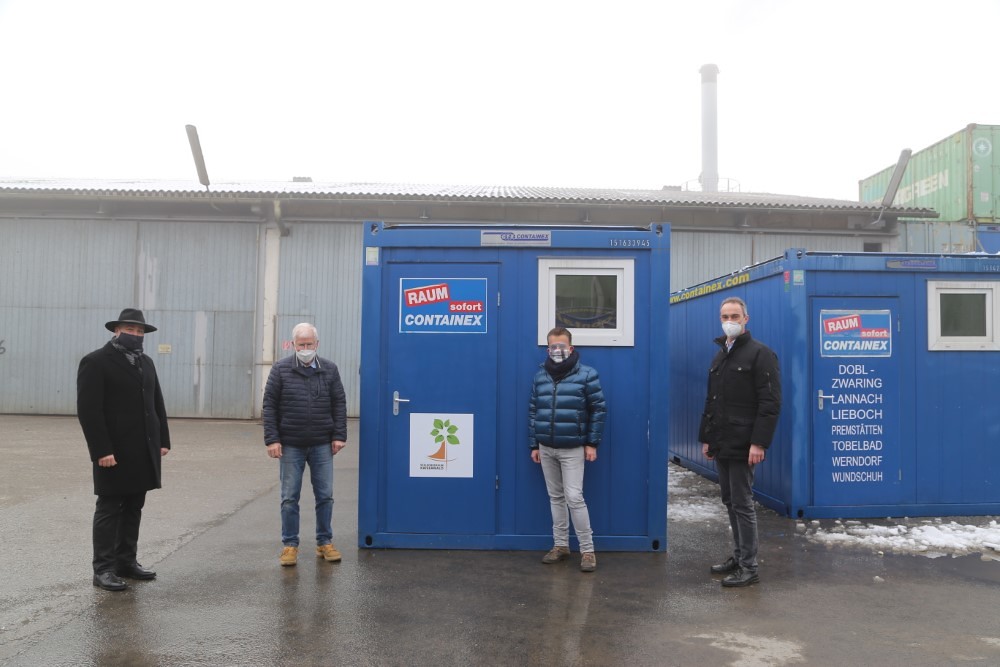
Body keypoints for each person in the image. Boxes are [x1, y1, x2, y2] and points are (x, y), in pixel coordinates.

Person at [77, 308, 171, 592]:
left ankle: (126, 562)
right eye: (130, 330)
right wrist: (101, 450)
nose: (135, 335)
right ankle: (103, 569)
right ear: (116, 331)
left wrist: (163, 439)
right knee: (109, 508)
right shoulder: (96, 362)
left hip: (143, 448)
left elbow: (156, 402)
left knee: (134, 506)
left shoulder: (146, 362)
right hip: (113, 451)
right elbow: (89, 411)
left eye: (140, 331)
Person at [699, 296, 781, 588]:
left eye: (735, 316)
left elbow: (770, 403)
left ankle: (749, 567)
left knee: (743, 503)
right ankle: (738, 556)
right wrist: (706, 438)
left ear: (746, 319)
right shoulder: (721, 354)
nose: (729, 321)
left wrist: (759, 443)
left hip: (745, 443)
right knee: (729, 500)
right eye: (725, 316)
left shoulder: (761, 354)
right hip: (722, 441)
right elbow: (712, 401)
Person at [263, 322, 347, 567]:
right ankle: (290, 545)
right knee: (289, 498)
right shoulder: (280, 369)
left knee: (325, 496)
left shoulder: (329, 369)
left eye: (309, 344)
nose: (305, 348)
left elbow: (339, 403)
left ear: (317, 344)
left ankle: (324, 542)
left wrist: (339, 435)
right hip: (291, 445)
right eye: (301, 344)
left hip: (322, 444)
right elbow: (269, 405)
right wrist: (272, 439)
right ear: (293, 345)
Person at [529, 327, 606, 573]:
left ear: (570, 348)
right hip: (546, 447)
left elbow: (598, 409)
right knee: (556, 497)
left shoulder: (587, 374)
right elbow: (534, 411)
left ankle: (587, 551)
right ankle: (560, 545)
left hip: (573, 448)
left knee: (574, 497)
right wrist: (534, 444)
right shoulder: (540, 376)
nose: (557, 350)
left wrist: (592, 443)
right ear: (547, 349)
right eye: (553, 346)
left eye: (562, 346)